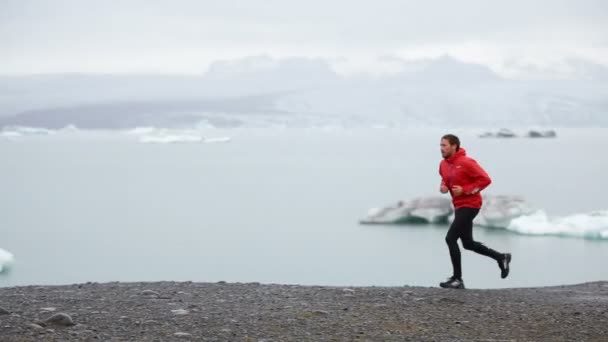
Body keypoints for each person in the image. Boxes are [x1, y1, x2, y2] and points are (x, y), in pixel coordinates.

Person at [438, 134, 511, 289]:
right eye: (441, 145)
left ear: (454, 146)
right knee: (468, 244)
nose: (441, 148)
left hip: (471, 205)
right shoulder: (443, 165)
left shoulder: (467, 162)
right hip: (458, 206)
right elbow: (445, 179)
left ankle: (457, 279)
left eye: (444, 145)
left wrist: (466, 190)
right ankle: (501, 257)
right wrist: (444, 187)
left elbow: (485, 180)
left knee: (450, 239)